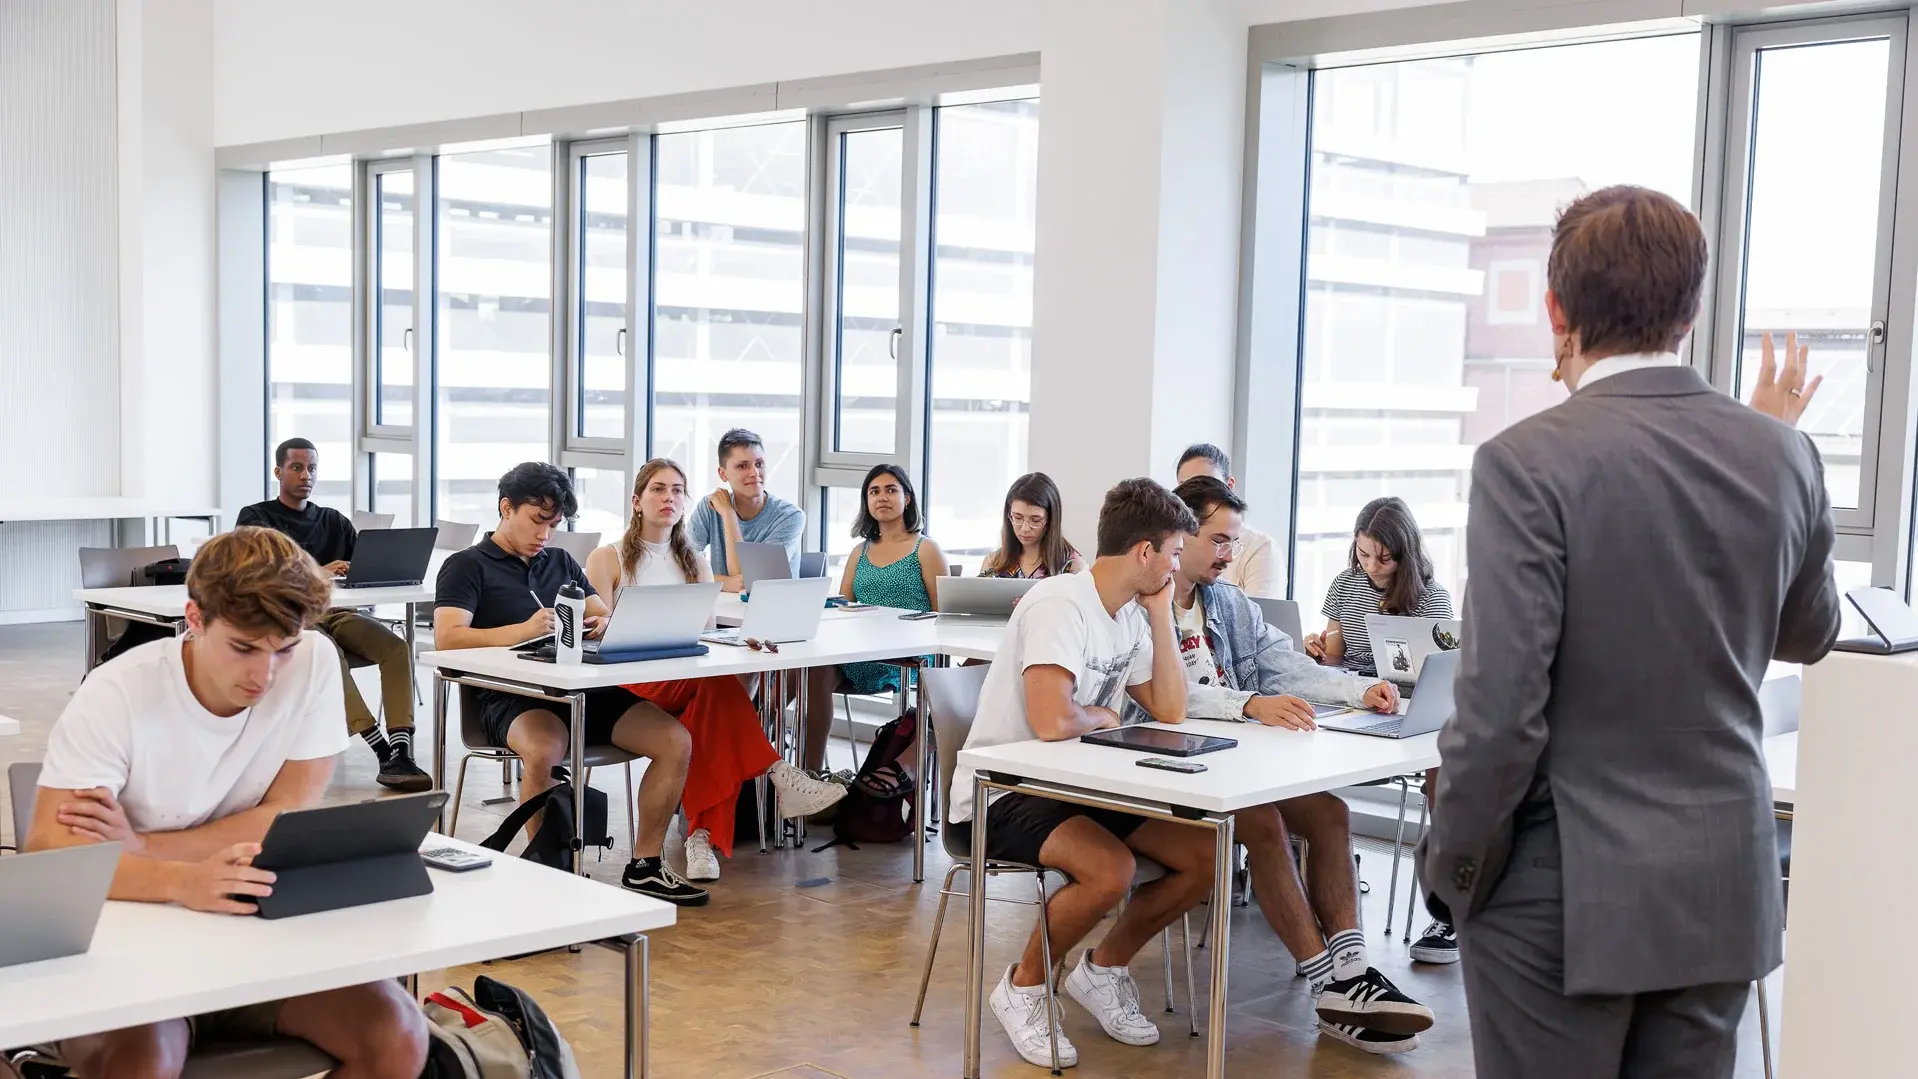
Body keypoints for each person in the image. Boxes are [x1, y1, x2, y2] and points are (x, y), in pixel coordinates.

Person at [1419, 185, 1840, 1079]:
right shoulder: (1783, 453)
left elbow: (1499, 714)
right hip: (1720, 884)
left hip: (1558, 893)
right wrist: (1767, 467)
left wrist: (1451, 871)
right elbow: (1810, 631)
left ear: (1557, 310)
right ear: (1688, 313)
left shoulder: (1525, 463)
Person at [27, 527, 428, 1078]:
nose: (263, 675)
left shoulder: (312, 661)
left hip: (253, 931)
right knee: (144, 1062)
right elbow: (54, 857)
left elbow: (284, 818)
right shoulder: (116, 694)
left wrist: (141, 848)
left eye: (281, 650)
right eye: (242, 648)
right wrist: (179, 881)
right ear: (195, 619)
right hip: (131, 943)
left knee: (398, 1038)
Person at [1126, 476, 1433, 1054]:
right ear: (1179, 535)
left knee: (1331, 814)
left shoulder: (1230, 603)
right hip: (1169, 768)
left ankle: (1353, 971)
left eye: (1233, 541)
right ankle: (1329, 989)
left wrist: (1357, 688)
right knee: (1263, 822)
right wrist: (1249, 704)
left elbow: (1282, 664)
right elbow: (1155, 700)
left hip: (1239, 760)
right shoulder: (1142, 605)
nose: (1229, 554)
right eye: (1218, 540)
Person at [950, 478, 1215, 1070]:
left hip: (1080, 786)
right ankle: (1022, 987)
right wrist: (1101, 714)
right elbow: (1050, 722)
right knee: (1111, 870)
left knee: (1206, 855)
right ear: (1144, 552)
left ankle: (1104, 970)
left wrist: (1161, 616)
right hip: (1002, 790)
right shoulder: (1060, 604)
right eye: (1173, 552)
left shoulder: (1130, 612)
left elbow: (1171, 708)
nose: (1178, 566)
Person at [433, 462, 708, 906]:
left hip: (578, 689)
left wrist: (602, 624)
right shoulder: (466, 565)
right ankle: (549, 871)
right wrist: (521, 631)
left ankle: (646, 866)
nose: (546, 534)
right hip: (509, 694)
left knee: (674, 740)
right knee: (546, 748)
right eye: (537, 521)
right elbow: (448, 637)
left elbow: (603, 611)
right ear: (507, 508)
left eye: (554, 524)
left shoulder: (560, 561)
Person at [584, 458, 846, 881]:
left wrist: (743, 641)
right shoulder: (607, 558)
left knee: (709, 703)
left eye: (676, 490)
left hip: (686, 682)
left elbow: (704, 638)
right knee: (717, 690)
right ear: (636, 501)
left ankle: (700, 838)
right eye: (657, 489)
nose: (668, 497)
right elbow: (595, 629)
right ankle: (775, 773)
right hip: (630, 684)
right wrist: (604, 624)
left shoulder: (696, 564)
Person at [235, 437, 431, 792]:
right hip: (288, 618)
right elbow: (252, 573)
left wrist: (373, 571)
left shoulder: (333, 521)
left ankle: (401, 750)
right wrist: (317, 571)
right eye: (296, 467)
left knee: (395, 648)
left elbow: (364, 570)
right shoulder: (256, 518)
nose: (305, 475)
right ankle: (380, 748)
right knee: (329, 653)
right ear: (278, 472)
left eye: (311, 468)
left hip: (335, 612)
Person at [800, 464, 949, 772]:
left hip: (908, 655)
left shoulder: (926, 548)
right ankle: (809, 774)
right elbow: (843, 606)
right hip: (859, 651)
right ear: (866, 501)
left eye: (891, 490)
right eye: (874, 491)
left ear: (907, 498)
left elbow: (943, 613)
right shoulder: (859, 551)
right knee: (812, 672)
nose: (882, 497)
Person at [1305, 497, 1454, 677]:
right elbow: (1333, 659)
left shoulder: (1433, 598)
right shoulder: (1344, 583)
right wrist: (1314, 655)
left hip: (1401, 693)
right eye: (1364, 554)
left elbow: (1438, 675)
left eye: (1384, 559)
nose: (1371, 567)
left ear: (1405, 553)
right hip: (1348, 688)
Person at [687, 428, 806, 592]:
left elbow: (750, 582)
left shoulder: (790, 516)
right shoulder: (709, 507)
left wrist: (729, 515)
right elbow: (681, 566)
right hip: (723, 610)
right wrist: (726, 583)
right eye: (742, 466)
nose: (754, 473)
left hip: (775, 611)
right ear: (723, 474)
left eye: (759, 464)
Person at [1174, 444, 1278, 597]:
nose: (1193, 496)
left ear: (1229, 486)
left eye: (1208, 484)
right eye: (1187, 486)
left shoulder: (1258, 548)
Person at [979, 472, 1084, 578]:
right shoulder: (993, 562)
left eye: (1036, 520)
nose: (1025, 528)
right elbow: (978, 593)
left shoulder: (1073, 566)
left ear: (1052, 519)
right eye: (1017, 518)